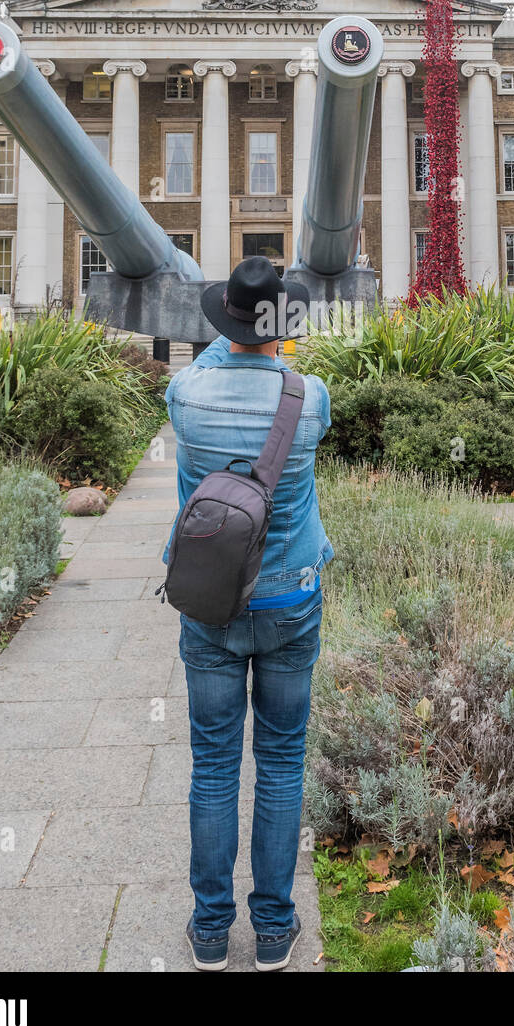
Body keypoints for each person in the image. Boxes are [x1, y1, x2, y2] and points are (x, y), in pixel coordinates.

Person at [164, 257, 333, 973]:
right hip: (290, 595)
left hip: (211, 604)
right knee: (282, 762)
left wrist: (232, 331)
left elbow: (213, 359)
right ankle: (272, 930)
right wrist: (268, 344)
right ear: (282, 327)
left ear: (224, 320)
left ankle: (209, 931)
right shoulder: (310, 398)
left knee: (212, 766)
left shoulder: (185, 396)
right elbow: (275, 363)